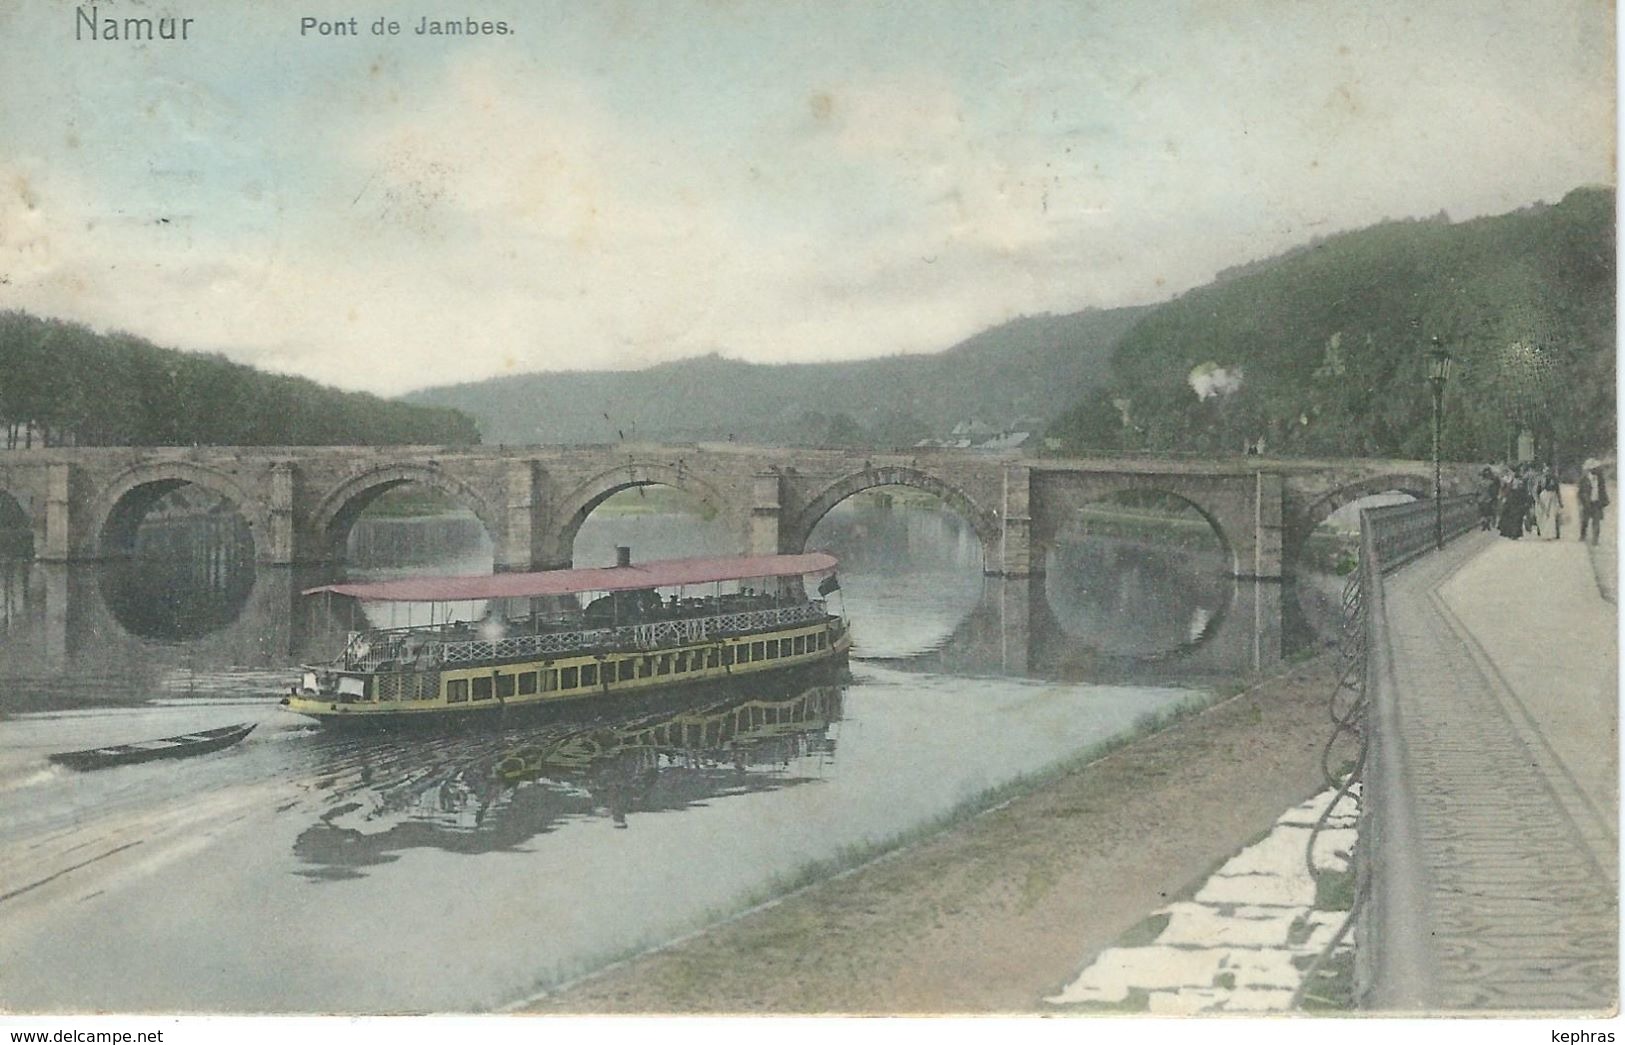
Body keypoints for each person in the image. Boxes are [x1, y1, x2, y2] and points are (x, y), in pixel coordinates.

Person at [1578, 458, 1609, 546]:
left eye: (1597, 468)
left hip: (1596, 503)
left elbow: (1603, 491)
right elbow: (1580, 492)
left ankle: (1595, 540)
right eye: (1594, 468)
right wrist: (1581, 502)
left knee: (1596, 522)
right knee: (1585, 521)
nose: (1597, 470)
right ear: (1589, 469)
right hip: (1587, 503)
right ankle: (1582, 535)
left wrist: (1604, 502)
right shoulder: (1584, 478)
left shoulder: (1600, 478)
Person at [1497, 472, 1530, 539]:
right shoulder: (1515, 481)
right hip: (1515, 500)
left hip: (1515, 500)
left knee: (1514, 517)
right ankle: (1514, 533)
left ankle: (1513, 533)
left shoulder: (1512, 481)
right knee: (1515, 517)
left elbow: (1506, 490)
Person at [1535, 464, 1563, 540]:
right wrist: (1538, 500)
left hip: (1552, 498)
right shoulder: (1541, 479)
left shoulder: (1554, 479)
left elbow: (1557, 490)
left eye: (1548, 471)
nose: (1547, 472)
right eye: (1546, 470)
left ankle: (1552, 533)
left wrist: (1560, 502)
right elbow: (1538, 490)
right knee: (1544, 515)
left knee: (1552, 516)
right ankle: (1544, 533)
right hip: (1544, 497)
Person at [1478, 467, 1500, 531]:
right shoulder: (1491, 482)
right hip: (1489, 499)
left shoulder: (1480, 483)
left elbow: (1477, 492)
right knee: (1490, 512)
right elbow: (1493, 491)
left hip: (1481, 499)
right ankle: (1488, 523)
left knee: (1483, 513)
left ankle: (1485, 523)